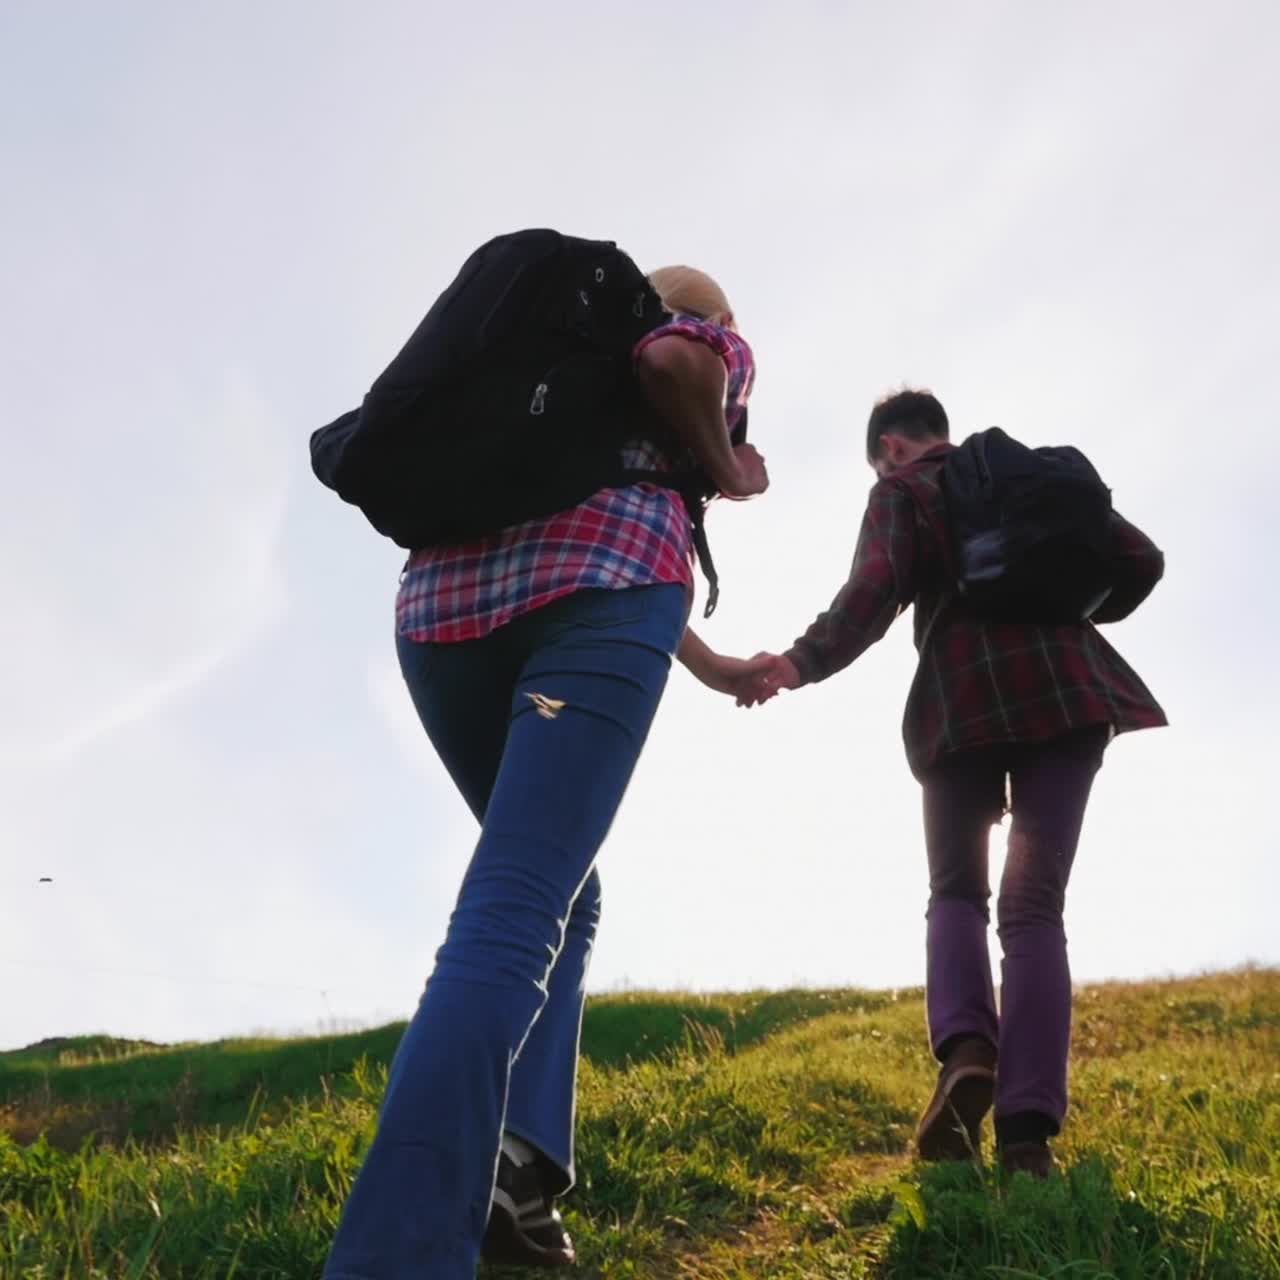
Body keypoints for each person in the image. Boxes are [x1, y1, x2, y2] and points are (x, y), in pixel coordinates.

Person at [323, 266, 771, 1279]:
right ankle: (398, 1257)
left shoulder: (543, 371)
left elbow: (586, 514)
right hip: (602, 593)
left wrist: (708, 662)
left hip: (439, 620)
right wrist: (725, 461)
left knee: (563, 888)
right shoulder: (692, 339)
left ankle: (512, 1174)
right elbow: (669, 367)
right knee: (518, 901)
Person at [739, 389, 1166, 1177]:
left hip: (962, 699)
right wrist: (1066, 604)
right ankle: (1028, 1137)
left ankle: (969, 1050)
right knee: (1036, 908)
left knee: (959, 895)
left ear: (892, 447)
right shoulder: (1026, 480)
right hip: (1071, 691)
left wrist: (798, 663)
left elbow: (873, 591)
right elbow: (1141, 561)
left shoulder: (903, 489)